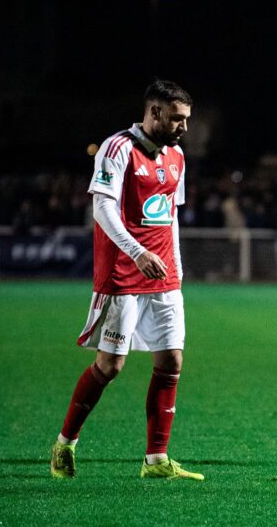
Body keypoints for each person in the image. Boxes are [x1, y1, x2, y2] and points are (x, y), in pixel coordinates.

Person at [50, 78, 204, 481]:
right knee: (111, 366)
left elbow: (170, 214)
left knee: (172, 359)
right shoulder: (117, 148)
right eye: (177, 118)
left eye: (186, 119)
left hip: (164, 274)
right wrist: (138, 252)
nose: (184, 127)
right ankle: (65, 443)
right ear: (153, 112)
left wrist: (177, 266)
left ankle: (156, 460)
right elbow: (101, 208)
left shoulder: (177, 156)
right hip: (124, 273)